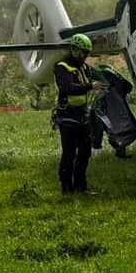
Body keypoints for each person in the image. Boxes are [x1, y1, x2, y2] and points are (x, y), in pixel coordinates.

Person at [52, 33, 97, 194]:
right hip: (67, 116)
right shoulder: (62, 67)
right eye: (82, 53)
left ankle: (80, 186)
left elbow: (96, 74)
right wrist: (90, 86)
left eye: (86, 53)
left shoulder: (83, 67)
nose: (84, 56)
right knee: (69, 154)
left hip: (82, 115)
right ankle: (66, 188)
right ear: (74, 50)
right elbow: (67, 88)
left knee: (85, 152)